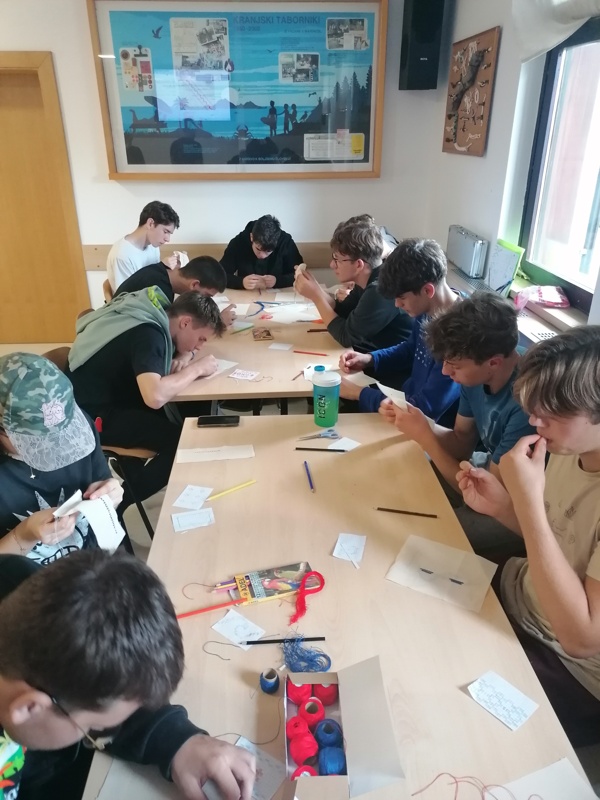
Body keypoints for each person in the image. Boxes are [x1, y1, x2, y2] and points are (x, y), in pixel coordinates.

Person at [0, 549, 255, 800]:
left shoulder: (16, 581)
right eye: (93, 730)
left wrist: (178, 740)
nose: (100, 732)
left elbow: (104, 684)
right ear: (29, 708)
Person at [455, 326, 600, 747]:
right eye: (535, 408)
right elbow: (557, 542)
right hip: (523, 598)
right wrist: (504, 505)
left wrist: (528, 500)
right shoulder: (570, 449)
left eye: (554, 412)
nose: (535, 421)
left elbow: (581, 638)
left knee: (456, 711)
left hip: (570, 666)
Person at [393, 291, 534, 556]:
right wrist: (422, 424)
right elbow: (461, 441)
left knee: (428, 537)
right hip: (489, 472)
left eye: (454, 365)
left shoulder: (526, 402)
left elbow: (488, 495)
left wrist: (426, 438)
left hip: (517, 507)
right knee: (406, 477)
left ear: (493, 362)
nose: (445, 371)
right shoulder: (476, 376)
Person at [66, 290, 225, 511]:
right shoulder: (149, 335)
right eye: (201, 339)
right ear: (186, 322)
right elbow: (155, 397)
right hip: (92, 417)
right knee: (182, 441)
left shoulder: (154, 312)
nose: (199, 347)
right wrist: (197, 368)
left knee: (187, 417)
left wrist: (185, 354)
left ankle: (134, 473)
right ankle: (118, 505)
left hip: (107, 398)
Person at [0, 353, 123, 564]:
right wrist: (24, 534)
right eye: (36, 441)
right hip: (24, 581)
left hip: (94, 564)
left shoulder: (76, 428)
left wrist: (110, 494)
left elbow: (101, 481)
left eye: (62, 435)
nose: (54, 447)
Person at [338, 239, 461, 427]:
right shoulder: (428, 309)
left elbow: (425, 409)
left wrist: (359, 393)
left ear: (427, 290)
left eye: (401, 297)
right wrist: (370, 359)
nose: (397, 304)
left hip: (430, 427)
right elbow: (410, 349)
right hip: (406, 405)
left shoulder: (460, 335)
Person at [294, 218, 413, 352]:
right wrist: (316, 289)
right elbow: (343, 312)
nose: (332, 265)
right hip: (376, 350)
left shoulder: (381, 289)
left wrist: (316, 296)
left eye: (337, 259)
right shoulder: (367, 278)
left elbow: (346, 336)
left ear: (358, 265)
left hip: (394, 361)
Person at [114, 256, 236, 328]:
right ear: (194, 284)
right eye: (207, 296)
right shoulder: (158, 290)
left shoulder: (162, 272)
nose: (206, 300)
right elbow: (171, 334)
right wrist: (216, 324)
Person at [106, 201, 180, 291]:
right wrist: (160, 267)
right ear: (150, 223)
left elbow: (154, 280)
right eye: (165, 232)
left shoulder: (153, 246)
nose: (167, 239)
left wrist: (167, 269)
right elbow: (127, 296)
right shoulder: (122, 255)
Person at [220, 215, 303, 290]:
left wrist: (277, 281)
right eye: (258, 249)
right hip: (246, 295)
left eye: (268, 251)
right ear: (251, 237)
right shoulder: (238, 243)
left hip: (279, 296)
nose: (262, 256)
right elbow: (219, 275)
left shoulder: (285, 242)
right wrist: (241, 282)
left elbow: (300, 274)